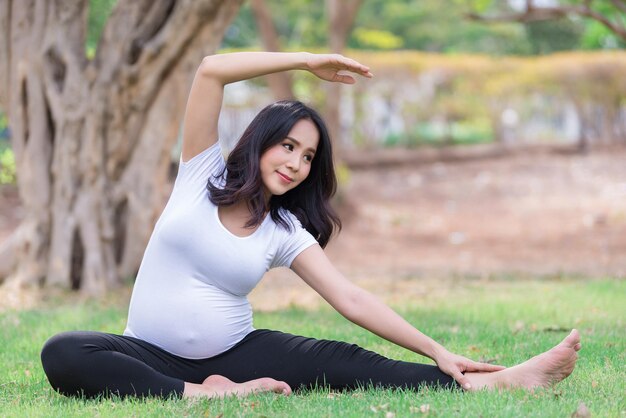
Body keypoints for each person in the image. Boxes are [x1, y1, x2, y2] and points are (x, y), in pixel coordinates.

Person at [40, 52, 581, 399]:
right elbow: (210, 69)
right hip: (147, 352)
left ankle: (501, 383)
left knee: (344, 361)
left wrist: (437, 350)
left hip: (237, 350)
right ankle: (202, 394)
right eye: (288, 146)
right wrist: (303, 62)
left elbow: (351, 299)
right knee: (63, 352)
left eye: (307, 157)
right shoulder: (199, 175)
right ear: (261, 140)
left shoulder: (284, 230)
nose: (295, 163)